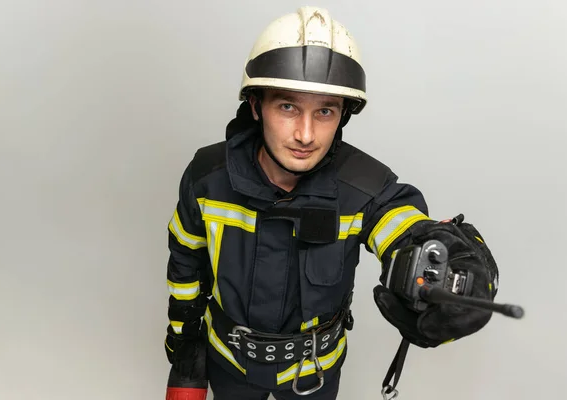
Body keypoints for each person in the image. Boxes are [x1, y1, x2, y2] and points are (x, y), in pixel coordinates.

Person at [162, 6, 499, 400]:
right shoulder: (208, 177)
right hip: (228, 363)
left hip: (313, 375)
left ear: (343, 116)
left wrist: (444, 259)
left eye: (325, 111)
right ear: (256, 106)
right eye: (288, 107)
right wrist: (183, 335)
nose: (306, 134)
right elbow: (185, 258)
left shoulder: (365, 188)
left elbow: (401, 225)